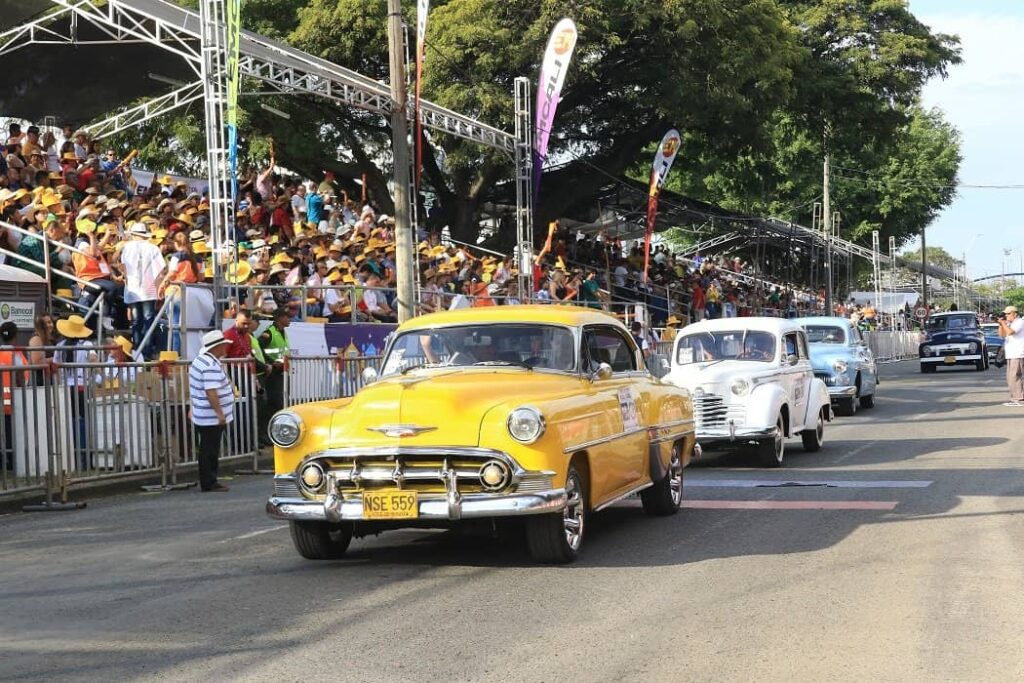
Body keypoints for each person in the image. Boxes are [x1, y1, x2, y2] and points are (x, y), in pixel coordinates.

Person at [188, 330, 235, 492]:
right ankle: (209, 481)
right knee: (210, 449)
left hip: (203, 413)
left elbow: (198, 389)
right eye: (223, 345)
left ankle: (208, 480)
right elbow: (211, 391)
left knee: (207, 448)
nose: (224, 348)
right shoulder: (210, 365)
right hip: (210, 416)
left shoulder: (199, 361)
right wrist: (220, 413)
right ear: (217, 346)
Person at [119, 222, 166, 359]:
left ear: (133, 234)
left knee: (136, 321)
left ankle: (137, 350)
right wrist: (159, 289)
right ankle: (147, 351)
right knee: (148, 320)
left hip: (133, 288)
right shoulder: (153, 248)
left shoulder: (126, 248)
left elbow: (124, 269)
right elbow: (160, 269)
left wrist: (127, 283)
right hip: (148, 289)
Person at [0, 322, 29, 471]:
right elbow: (20, 375)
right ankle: (11, 462)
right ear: (16, 335)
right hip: (10, 399)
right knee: (10, 431)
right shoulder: (13, 354)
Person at [259, 309, 291, 420]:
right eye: (287, 317)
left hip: (283, 371)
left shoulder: (283, 332)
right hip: (274, 373)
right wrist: (271, 363)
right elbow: (259, 350)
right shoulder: (269, 333)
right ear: (279, 318)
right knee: (276, 402)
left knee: (282, 401)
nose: (289, 319)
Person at [998, 305, 1024, 407]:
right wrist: (1000, 324)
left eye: (1008, 314)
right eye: (1005, 314)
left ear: (1015, 313)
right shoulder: (1010, 323)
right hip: (1011, 354)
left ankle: (1019, 398)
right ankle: (1015, 397)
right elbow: (1002, 335)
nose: (1006, 315)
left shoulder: (1020, 322)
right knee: (1010, 377)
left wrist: (1004, 324)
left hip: (1018, 353)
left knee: (1015, 376)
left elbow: (1010, 332)